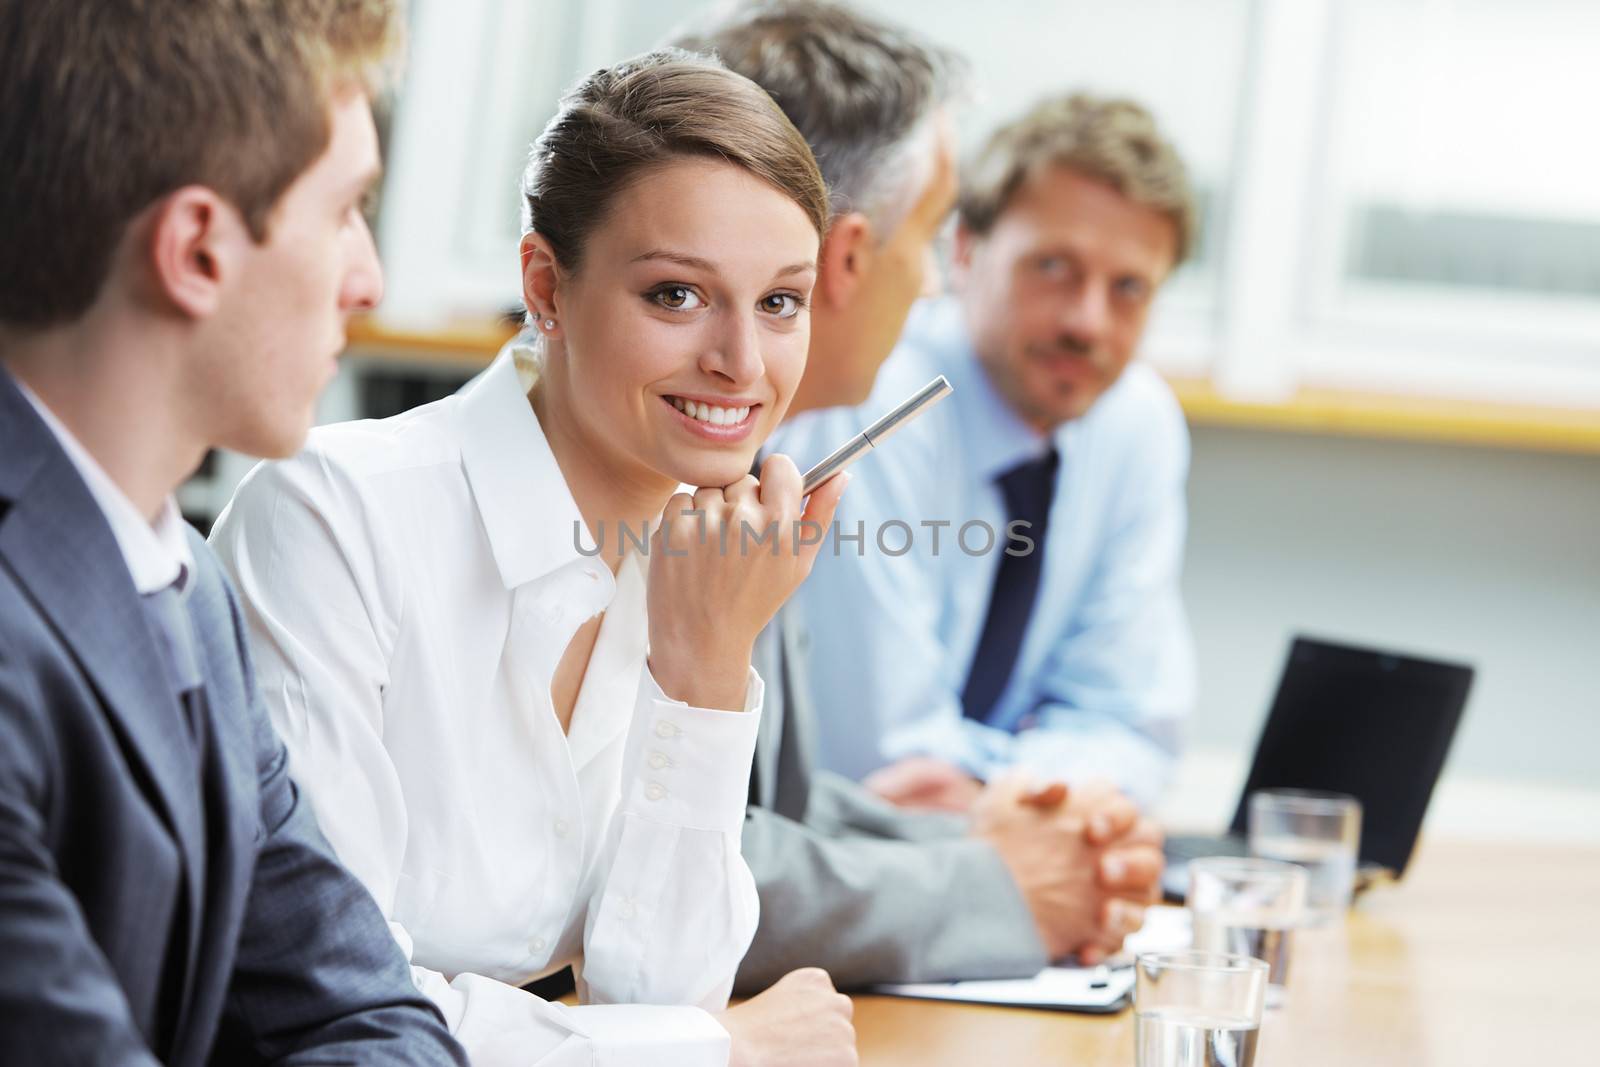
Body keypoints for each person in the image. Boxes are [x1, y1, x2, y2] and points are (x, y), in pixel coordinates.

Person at [210, 52, 856, 1067]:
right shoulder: (333, 517)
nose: (742, 360)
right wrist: (707, 1047)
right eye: (678, 295)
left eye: (781, 301)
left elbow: (661, 990)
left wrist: (707, 672)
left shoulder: (703, 558)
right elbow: (335, 1012)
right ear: (545, 285)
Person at [0, 1, 468, 1063]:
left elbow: (370, 1011)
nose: (370, 279)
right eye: (348, 209)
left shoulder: (184, 579)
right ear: (198, 249)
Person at [674, 1, 1164, 992]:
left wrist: (1024, 832)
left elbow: (787, 809)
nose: (931, 281)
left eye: (1128, 287)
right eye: (933, 235)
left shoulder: (760, 457)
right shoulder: (834, 433)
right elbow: (682, 863)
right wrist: (1000, 878)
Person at [788, 91, 1198, 816]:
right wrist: (1058, 785)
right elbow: (879, 762)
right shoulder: (875, 401)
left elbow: (1135, 730)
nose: (1087, 322)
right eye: (1054, 267)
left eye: (1129, 288)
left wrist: (988, 789)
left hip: (1001, 855)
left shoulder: (1137, 422)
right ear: (966, 252)